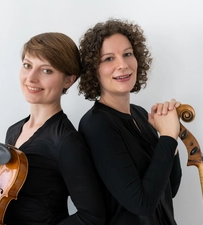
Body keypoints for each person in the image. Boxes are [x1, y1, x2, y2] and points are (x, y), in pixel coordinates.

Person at [77, 18, 182, 225]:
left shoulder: (141, 115)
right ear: (93, 69)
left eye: (127, 54)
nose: (122, 65)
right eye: (108, 59)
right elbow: (141, 204)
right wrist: (168, 137)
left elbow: (170, 188)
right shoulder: (97, 125)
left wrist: (170, 138)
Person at [3, 32, 105, 225]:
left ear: (68, 80)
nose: (31, 78)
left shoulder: (67, 141)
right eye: (27, 65)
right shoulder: (14, 130)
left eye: (46, 70)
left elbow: (92, 216)